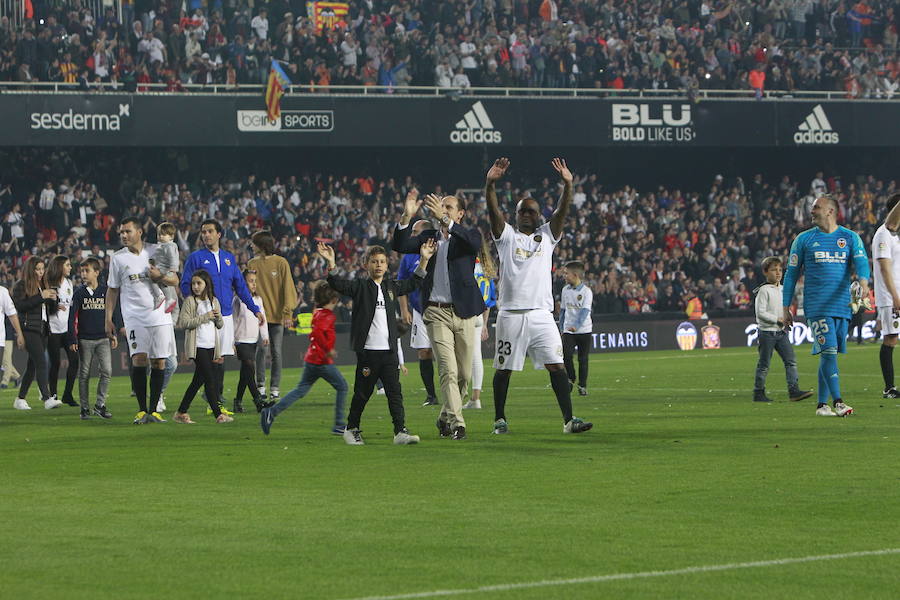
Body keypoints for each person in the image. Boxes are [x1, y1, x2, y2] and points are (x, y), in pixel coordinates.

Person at [484, 157, 593, 435]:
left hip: (542, 316)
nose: (527, 215)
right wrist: (490, 184)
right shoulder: (506, 236)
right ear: (516, 214)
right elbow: (493, 212)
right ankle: (499, 418)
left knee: (557, 367)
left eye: (532, 211)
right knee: (504, 369)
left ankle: (569, 421)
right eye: (522, 211)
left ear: (539, 214)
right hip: (511, 315)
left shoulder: (547, 236)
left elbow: (562, 211)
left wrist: (568, 184)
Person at [319, 240, 435, 445]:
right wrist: (331, 262)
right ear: (366, 264)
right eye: (374, 261)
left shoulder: (391, 286)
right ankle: (351, 428)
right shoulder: (360, 286)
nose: (379, 265)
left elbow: (413, 283)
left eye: (382, 261)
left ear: (387, 265)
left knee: (395, 393)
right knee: (362, 394)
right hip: (368, 352)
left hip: (388, 352)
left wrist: (424, 259)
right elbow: (338, 284)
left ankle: (400, 432)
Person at [393, 192, 486, 441]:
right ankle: (458, 424)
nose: (442, 209)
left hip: (464, 313)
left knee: (465, 375)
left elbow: (474, 245)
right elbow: (400, 245)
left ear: (460, 214)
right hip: (435, 312)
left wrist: (445, 222)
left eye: (448, 207)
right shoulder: (428, 238)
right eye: (441, 206)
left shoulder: (469, 236)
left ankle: (444, 416)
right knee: (447, 369)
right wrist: (407, 216)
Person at [783, 194, 870, 417]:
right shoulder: (803, 239)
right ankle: (839, 402)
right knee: (829, 351)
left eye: (816, 207)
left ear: (830, 211)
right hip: (817, 305)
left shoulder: (849, 238)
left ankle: (822, 406)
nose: (812, 211)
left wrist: (863, 282)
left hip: (842, 305)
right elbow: (791, 274)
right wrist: (785, 307)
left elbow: (861, 263)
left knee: (828, 354)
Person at [181, 219, 263, 414]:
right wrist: (196, 305)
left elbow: (240, 287)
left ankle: (213, 401)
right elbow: (185, 284)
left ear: (219, 234)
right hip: (206, 317)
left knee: (218, 360)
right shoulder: (196, 258)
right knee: (209, 361)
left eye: (210, 231)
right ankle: (213, 403)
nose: (206, 235)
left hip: (225, 316)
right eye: (203, 232)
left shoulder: (228, 258)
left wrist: (254, 309)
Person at [106, 217, 178, 424]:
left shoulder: (157, 250)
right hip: (134, 316)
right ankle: (141, 410)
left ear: (139, 232)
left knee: (159, 361)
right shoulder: (118, 258)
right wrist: (108, 318)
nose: (123, 235)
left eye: (127, 231)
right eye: (121, 232)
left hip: (160, 314)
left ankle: (154, 410)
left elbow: (175, 279)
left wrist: (160, 277)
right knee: (138, 358)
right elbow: (112, 290)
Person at [260, 281, 349, 436]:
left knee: (300, 390)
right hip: (322, 361)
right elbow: (319, 333)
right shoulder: (328, 316)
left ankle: (271, 413)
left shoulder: (317, 313)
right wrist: (328, 350)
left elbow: (313, 334)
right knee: (342, 387)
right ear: (334, 300)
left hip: (311, 360)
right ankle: (340, 424)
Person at [174, 269, 231, 423]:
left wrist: (218, 318)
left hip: (211, 345)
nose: (195, 287)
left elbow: (219, 325)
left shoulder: (214, 301)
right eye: (193, 283)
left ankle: (181, 412)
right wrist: (205, 317)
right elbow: (184, 323)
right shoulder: (190, 301)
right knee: (210, 379)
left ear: (207, 284)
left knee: (197, 381)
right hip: (198, 345)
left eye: (199, 283)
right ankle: (218, 414)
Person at [752, 256, 812, 403]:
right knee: (764, 364)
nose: (778, 273)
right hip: (767, 332)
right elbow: (760, 313)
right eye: (773, 270)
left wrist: (788, 315)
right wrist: (778, 319)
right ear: (765, 272)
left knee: (790, 361)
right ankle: (758, 392)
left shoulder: (783, 289)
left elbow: (782, 308)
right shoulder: (764, 290)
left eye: (780, 270)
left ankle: (794, 391)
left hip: (781, 332)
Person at [248, 230, 297, 402]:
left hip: (277, 317)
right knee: (261, 350)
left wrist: (287, 312)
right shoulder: (251, 264)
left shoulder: (281, 262)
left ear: (261, 245)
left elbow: (289, 288)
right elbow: (248, 289)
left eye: (253, 243)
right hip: (260, 317)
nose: (251, 245)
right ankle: (260, 386)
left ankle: (275, 388)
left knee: (276, 351)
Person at [396, 219, 439, 407]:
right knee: (424, 352)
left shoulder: (440, 250)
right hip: (419, 311)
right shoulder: (408, 256)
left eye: (415, 232)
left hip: (440, 309)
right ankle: (431, 395)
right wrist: (405, 309)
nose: (412, 235)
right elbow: (402, 284)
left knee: (445, 354)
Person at [67, 257, 115, 419]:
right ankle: (85, 408)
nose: (84, 274)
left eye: (87, 271)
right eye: (82, 271)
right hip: (85, 339)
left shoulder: (105, 291)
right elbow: (71, 318)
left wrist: (112, 333)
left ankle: (100, 405)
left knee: (107, 371)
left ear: (97, 272)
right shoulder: (79, 293)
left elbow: (112, 315)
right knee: (84, 374)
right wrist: (73, 339)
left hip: (103, 338)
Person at [12, 257, 60, 410]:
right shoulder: (21, 285)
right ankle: (46, 398)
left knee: (32, 365)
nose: (41, 272)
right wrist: (42, 296)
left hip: (43, 328)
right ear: (30, 269)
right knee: (41, 362)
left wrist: (54, 300)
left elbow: (49, 311)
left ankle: (20, 399)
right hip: (29, 328)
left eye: (42, 269)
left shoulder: (43, 284)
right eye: (37, 269)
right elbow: (20, 306)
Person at [871, 193, 900, 398]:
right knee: (890, 338)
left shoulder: (894, 236)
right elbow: (884, 268)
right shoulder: (883, 234)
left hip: (896, 294)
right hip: (891, 297)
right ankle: (889, 388)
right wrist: (895, 297)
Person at [232, 268, 272, 413]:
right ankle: (258, 401)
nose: (254, 284)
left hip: (253, 339)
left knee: (246, 373)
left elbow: (263, 319)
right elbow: (233, 321)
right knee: (249, 367)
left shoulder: (258, 300)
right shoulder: (237, 300)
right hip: (241, 340)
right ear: (243, 283)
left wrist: (265, 336)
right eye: (250, 281)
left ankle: (238, 401)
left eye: (255, 281)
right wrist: (232, 341)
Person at [462, 251, 497, 410]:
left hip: (464, 314)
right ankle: (475, 398)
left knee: (458, 357)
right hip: (478, 316)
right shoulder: (486, 271)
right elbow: (489, 301)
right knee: (476, 357)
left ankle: (459, 394)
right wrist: (483, 324)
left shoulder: (465, 266)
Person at [46, 255, 79, 407]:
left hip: (67, 329)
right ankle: (53, 396)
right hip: (53, 328)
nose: (70, 267)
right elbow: (44, 306)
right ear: (59, 266)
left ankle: (67, 394)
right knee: (55, 363)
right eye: (67, 265)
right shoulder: (48, 283)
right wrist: (53, 304)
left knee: (74, 361)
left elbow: (70, 307)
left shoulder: (69, 283)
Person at [559, 260, 593, 396]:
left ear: (575, 275)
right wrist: (562, 328)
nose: (564, 276)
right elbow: (562, 311)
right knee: (566, 356)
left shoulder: (586, 292)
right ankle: (571, 378)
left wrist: (576, 326)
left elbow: (585, 311)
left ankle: (582, 385)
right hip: (568, 330)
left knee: (582, 359)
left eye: (567, 274)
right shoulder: (565, 290)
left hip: (584, 330)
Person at [147, 221, 179, 313]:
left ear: (171, 236)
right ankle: (160, 296)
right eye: (159, 234)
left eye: (164, 235)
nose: (160, 236)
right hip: (160, 267)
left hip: (166, 269)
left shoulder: (170, 246)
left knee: (165, 284)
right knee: (153, 280)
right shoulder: (161, 245)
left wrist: (173, 269)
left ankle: (168, 299)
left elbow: (173, 258)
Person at [0, 283, 25, 397]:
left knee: (6, 360)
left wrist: (19, 333)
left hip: (6, 337)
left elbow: (12, 315)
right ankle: (17, 377)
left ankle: (5, 381)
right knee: (6, 361)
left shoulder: (3, 294)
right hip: (5, 336)